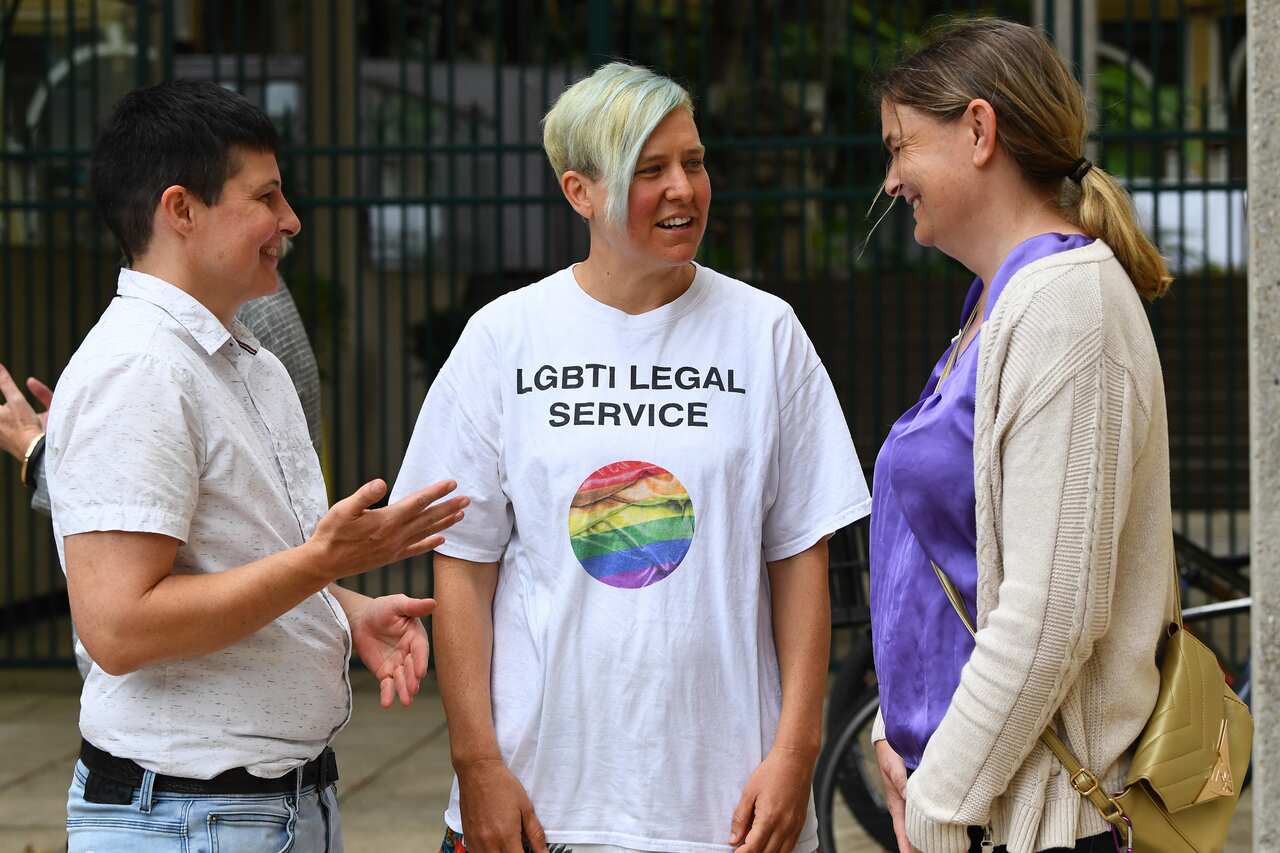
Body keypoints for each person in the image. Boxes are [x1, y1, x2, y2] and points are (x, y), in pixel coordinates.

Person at [391, 62, 871, 853]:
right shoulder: (505, 338)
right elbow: (464, 566)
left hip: (725, 812)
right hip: (543, 806)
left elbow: (798, 557)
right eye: (651, 170)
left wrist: (797, 749)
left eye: (694, 161)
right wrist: (476, 762)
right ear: (580, 191)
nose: (684, 188)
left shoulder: (765, 333)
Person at [46, 79, 468, 852]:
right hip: (186, 818)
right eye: (266, 196)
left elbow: (239, 558)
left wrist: (341, 608)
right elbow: (118, 625)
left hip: (268, 808)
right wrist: (322, 563)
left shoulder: (244, 359)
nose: (291, 219)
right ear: (181, 209)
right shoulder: (140, 368)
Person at [865, 18, 1177, 853]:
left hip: (1039, 823)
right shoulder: (1001, 302)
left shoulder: (1065, 305)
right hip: (982, 806)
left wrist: (939, 805)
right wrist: (898, 734)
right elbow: (942, 557)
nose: (891, 180)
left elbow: (1050, 616)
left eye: (900, 146)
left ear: (978, 130)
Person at [0, 270, 320, 678]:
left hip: (225, 681)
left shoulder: (167, 344)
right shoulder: (148, 353)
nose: (286, 232)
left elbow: (243, 529)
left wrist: (38, 452)